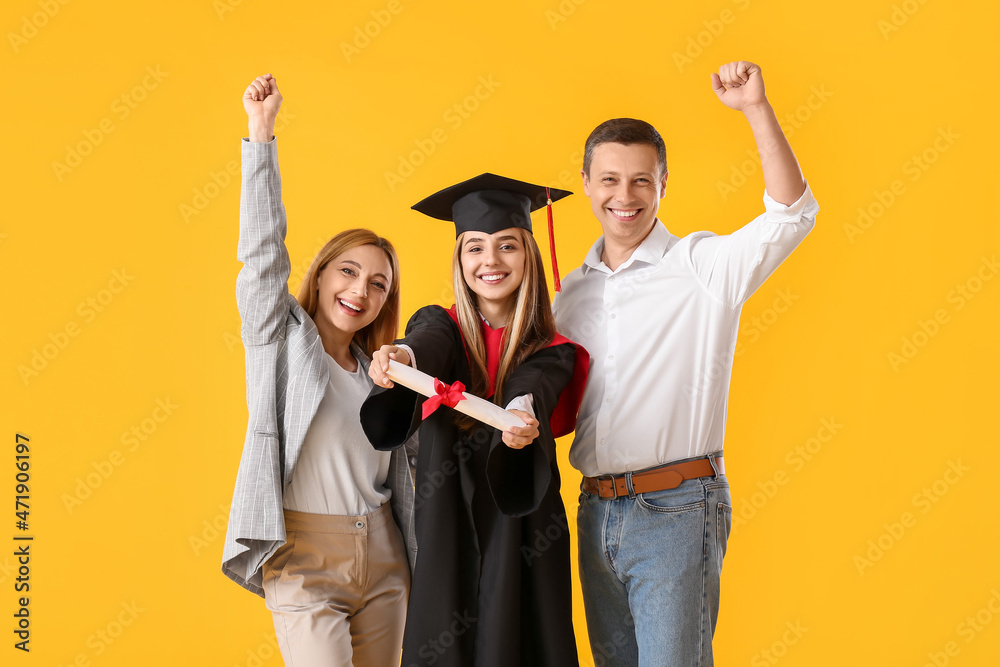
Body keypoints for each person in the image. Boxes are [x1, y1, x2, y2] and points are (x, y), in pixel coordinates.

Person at [553, 61, 821, 666]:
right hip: (595, 512)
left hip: (676, 507)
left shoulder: (701, 266)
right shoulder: (570, 294)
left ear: (663, 184)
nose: (625, 197)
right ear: (587, 183)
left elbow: (792, 214)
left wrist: (755, 108)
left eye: (642, 181)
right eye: (611, 180)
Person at [221, 73, 416, 667]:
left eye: (379, 284)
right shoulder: (278, 339)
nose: (362, 290)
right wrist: (261, 137)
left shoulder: (380, 373)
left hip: (383, 553)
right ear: (323, 273)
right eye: (349, 272)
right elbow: (261, 256)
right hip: (303, 558)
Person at [360, 173, 588, 667]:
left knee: (525, 639)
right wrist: (402, 356)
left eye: (507, 245)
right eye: (475, 248)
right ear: (460, 260)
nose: (490, 261)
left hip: (523, 528)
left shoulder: (553, 351)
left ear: (528, 254)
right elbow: (425, 344)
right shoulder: (440, 324)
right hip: (448, 521)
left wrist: (521, 413)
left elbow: (534, 382)